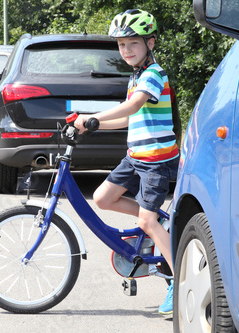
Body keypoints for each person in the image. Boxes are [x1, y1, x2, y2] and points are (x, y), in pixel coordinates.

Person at [74, 9, 179, 315]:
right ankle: (157, 221)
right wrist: (90, 125)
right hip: (136, 157)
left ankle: (180, 281)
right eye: (122, 45)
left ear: (151, 42)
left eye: (133, 43)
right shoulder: (136, 76)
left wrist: (93, 116)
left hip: (155, 160)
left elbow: (131, 106)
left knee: (144, 221)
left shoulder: (153, 75)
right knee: (103, 198)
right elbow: (129, 118)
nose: (127, 49)